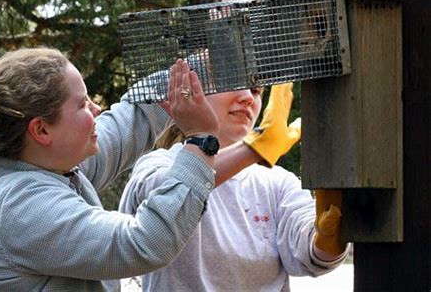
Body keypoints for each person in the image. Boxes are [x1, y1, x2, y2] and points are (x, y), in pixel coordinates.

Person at [0, 48, 222, 290]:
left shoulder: (50, 165)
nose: (97, 109)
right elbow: (144, 242)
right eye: (83, 104)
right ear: (41, 130)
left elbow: (131, 120)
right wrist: (201, 140)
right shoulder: (21, 207)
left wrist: (214, 51)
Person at [119, 82, 350, 291]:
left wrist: (327, 240)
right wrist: (254, 150)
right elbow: (164, 193)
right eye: (235, 84)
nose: (249, 98)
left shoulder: (278, 182)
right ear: (193, 94)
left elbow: (310, 256)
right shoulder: (159, 163)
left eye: (256, 90)